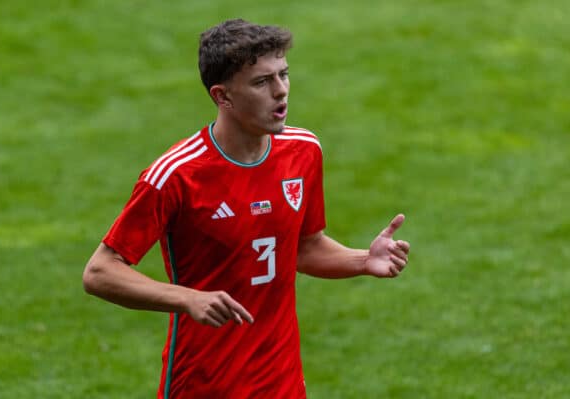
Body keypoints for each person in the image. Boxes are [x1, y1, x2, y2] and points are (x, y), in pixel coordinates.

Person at [83, 18, 410, 399]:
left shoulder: (303, 150)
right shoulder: (175, 175)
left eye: (283, 75)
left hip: (282, 381)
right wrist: (187, 298)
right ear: (222, 97)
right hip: (206, 383)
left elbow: (302, 246)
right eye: (262, 82)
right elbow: (100, 272)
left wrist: (362, 261)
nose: (281, 91)